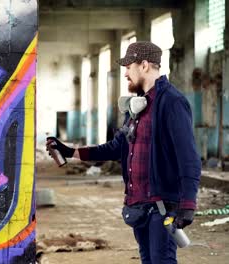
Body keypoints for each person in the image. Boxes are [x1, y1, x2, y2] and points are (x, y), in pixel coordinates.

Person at [47, 41, 201, 264]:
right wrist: (70, 151)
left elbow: (189, 158)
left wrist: (188, 203)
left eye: (129, 67)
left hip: (162, 207)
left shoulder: (172, 103)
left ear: (145, 65)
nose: (126, 73)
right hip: (138, 206)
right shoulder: (136, 106)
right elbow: (116, 147)